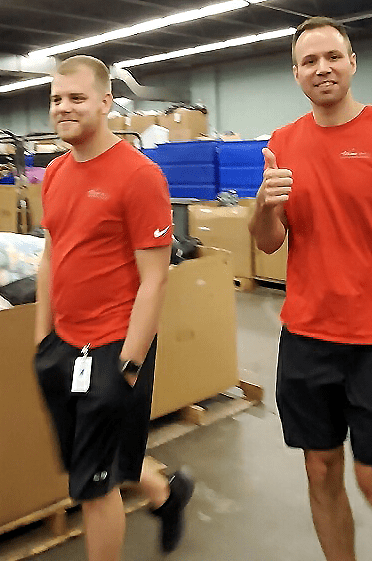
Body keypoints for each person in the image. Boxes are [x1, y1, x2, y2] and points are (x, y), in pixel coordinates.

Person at [249, 16, 372, 561]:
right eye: (309, 61)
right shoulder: (283, 142)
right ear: (295, 73)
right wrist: (263, 205)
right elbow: (268, 243)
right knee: (319, 469)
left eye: (333, 56)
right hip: (306, 336)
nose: (322, 68)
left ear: (353, 62)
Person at [34, 55, 194, 561]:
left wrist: (127, 366)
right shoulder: (55, 173)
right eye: (57, 99)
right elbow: (51, 254)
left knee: (93, 488)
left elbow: (155, 279)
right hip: (64, 346)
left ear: (105, 102)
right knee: (91, 458)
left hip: (113, 346)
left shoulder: (138, 176)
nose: (64, 107)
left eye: (76, 98)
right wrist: (43, 339)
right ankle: (165, 493)